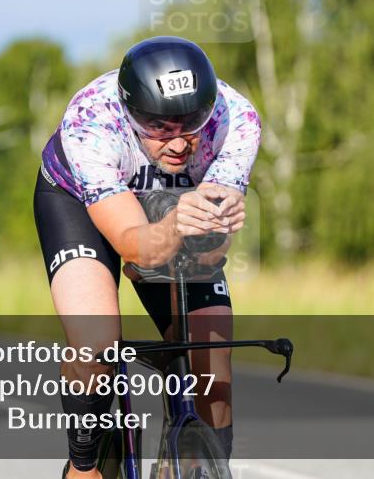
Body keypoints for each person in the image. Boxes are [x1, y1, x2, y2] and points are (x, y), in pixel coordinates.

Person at [34, 36, 261, 477]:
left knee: (213, 351)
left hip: (175, 205)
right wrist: (176, 225)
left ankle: (206, 464)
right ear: (131, 111)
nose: (177, 142)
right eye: (159, 127)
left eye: (190, 123)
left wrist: (210, 230)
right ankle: (83, 467)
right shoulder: (91, 122)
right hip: (80, 202)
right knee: (96, 342)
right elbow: (132, 246)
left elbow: (213, 245)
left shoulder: (237, 120)